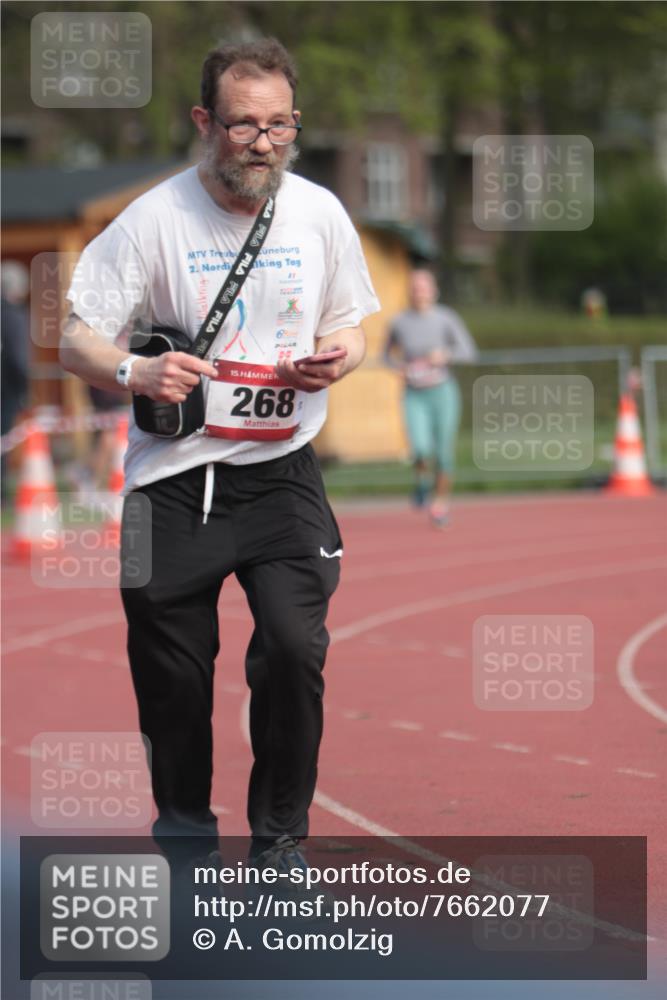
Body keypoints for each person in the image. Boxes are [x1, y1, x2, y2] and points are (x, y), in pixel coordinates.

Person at [59, 38, 379, 870]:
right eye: (243, 126)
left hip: (280, 475)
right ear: (206, 121)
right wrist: (137, 369)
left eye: (279, 126)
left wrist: (338, 358)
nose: (263, 143)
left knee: (294, 647)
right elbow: (74, 339)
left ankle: (278, 845)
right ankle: (186, 847)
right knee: (173, 682)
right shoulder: (152, 220)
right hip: (169, 483)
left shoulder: (318, 212)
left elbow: (351, 326)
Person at [384, 269, 477, 526]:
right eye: (415, 287)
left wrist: (445, 355)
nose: (420, 292)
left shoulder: (446, 318)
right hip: (414, 394)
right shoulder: (399, 321)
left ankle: (440, 505)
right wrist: (398, 366)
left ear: (434, 291)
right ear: (410, 291)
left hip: (442, 392)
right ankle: (422, 481)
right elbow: (387, 354)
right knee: (420, 449)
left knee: (444, 453)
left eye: (424, 287)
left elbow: (468, 351)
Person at [1, 261, 31, 500]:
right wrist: (25, 390)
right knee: (4, 441)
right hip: (6, 390)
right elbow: (18, 358)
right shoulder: (13, 316)